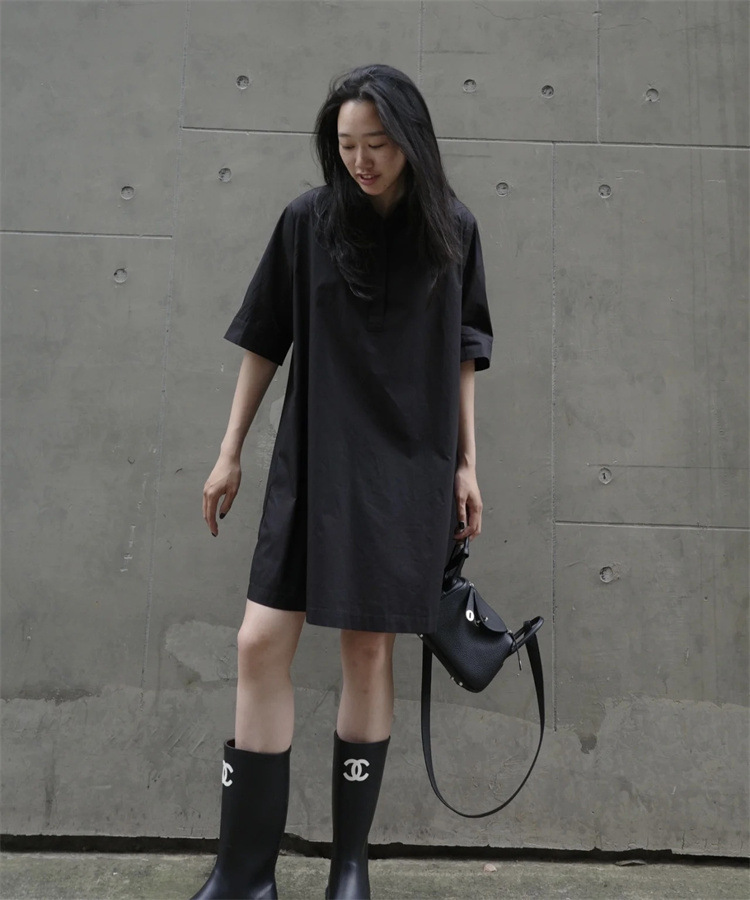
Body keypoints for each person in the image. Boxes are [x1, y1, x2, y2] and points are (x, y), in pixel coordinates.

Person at [190, 64, 493, 900]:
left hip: (407, 466)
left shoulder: (455, 230)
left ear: (412, 142)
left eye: (379, 144)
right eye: (348, 145)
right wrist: (229, 449)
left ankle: (348, 870)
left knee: (367, 650)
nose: (362, 160)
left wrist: (468, 463)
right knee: (259, 643)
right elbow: (266, 336)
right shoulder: (307, 222)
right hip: (313, 458)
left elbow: (465, 353)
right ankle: (245, 874)